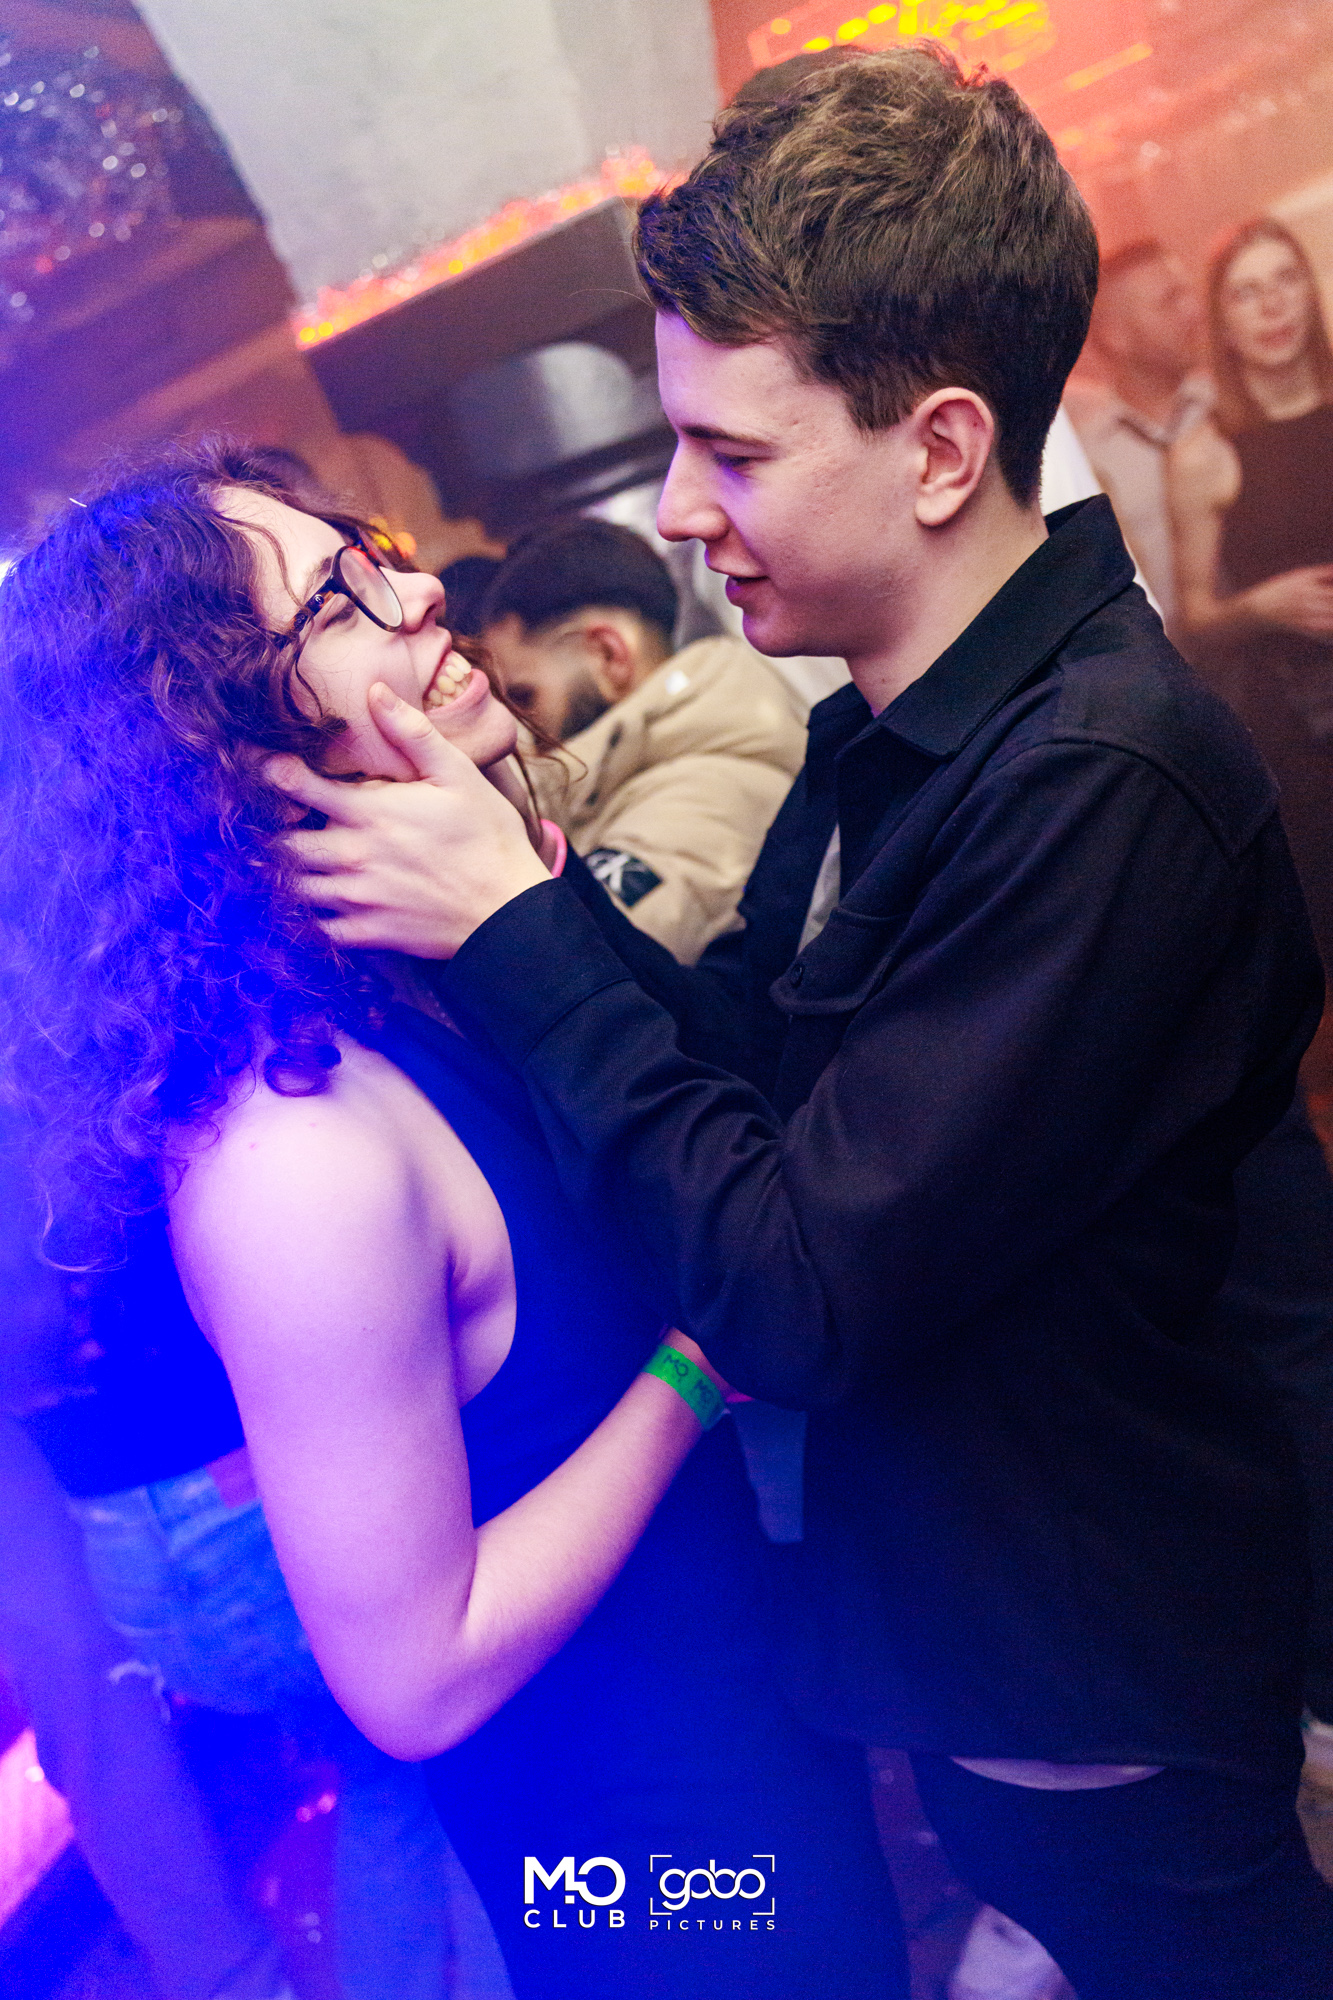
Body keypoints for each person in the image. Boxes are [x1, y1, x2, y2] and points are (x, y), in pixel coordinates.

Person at [269, 49, 1333, 1998]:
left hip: (1096, 1654)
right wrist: (528, 885)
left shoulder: (1096, 775)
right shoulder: (888, 725)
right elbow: (757, 1077)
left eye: (733, 454)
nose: (680, 509)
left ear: (938, 450)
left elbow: (794, 1293)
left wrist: (516, 929)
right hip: (973, 1636)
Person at [0, 442, 907, 2000]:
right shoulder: (294, 1150)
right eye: (338, 601)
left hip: (751, 1729)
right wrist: (692, 1369)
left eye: (377, 556)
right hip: (639, 1862)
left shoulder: (427, 966)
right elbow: (412, 1680)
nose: (418, 592)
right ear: (212, 737)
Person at [479, 518, 806, 961]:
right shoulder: (650, 770)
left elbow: (575, 968)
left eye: (525, 697)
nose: (520, 727)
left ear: (608, 654)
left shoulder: (709, 798)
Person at [1168, 216, 1333, 974]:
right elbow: (1191, 623)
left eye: (1285, 280)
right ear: (1222, 323)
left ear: (1310, 292)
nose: (1271, 307)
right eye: (1245, 293)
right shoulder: (1205, 455)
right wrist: (1261, 607)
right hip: (1305, 729)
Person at [1064, 239, 1213, 627]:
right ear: (1117, 336)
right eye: (1169, 301)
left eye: (1188, 294)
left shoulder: (1227, 410)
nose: (1194, 311)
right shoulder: (1088, 460)